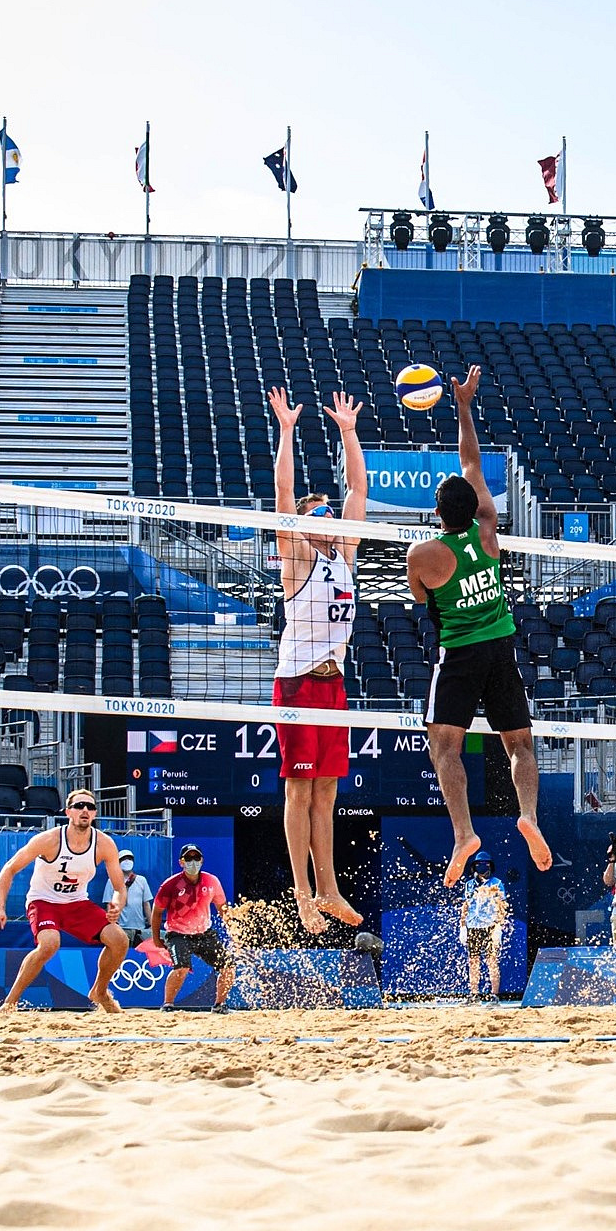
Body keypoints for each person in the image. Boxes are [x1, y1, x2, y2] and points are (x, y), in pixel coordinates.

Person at [405, 364, 550, 886]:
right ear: (473, 506)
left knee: (444, 748)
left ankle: (464, 833)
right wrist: (464, 406)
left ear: (437, 512)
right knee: (520, 746)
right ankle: (529, 816)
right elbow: (471, 461)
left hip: (460, 652)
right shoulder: (489, 528)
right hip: (501, 646)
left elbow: (420, 598)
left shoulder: (423, 554)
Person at [268, 385, 369, 935]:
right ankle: (303, 894)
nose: (331, 515)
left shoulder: (344, 553)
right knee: (300, 790)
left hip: (334, 684)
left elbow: (358, 488)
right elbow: (284, 494)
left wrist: (349, 433)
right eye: (320, 512)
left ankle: (328, 888)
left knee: (328, 792)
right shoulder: (297, 555)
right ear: (307, 523)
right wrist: (287, 430)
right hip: (298, 684)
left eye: (331, 511)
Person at [0, 789, 131, 1012]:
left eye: (90, 807)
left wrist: (117, 904)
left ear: (94, 813)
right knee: (50, 944)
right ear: (68, 812)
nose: (85, 810)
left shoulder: (104, 843)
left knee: (120, 940)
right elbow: (9, 869)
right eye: (79, 806)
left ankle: (99, 991)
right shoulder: (49, 840)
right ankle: (9, 1003)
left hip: (77, 903)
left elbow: (119, 887)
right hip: (43, 901)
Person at [153, 844, 235, 1013]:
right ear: (181, 862)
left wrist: (232, 928)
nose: (193, 862)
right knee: (181, 968)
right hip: (177, 934)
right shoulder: (170, 885)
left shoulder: (212, 881)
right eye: (188, 858)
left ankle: (220, 1006)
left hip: (204, 933)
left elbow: (222, 908)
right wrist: (156, 938)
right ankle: (167, 1005)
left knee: (228, 967)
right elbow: (157, 912)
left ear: (202, 860)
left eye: (196, 858)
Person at [458, 854, 508, 1002]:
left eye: (485, 864)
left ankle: (494, 995)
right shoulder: (469, 885)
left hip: (490, 926)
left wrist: (498, 926)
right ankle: (474, 994)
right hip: (473, 926)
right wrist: (462, 926)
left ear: (490, 866)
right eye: (479, 864)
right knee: (473, 961)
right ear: (474, 866)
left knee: (491, 960)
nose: (482, 867)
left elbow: (502, 906)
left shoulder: (497, 883)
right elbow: (465, 906)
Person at [116, 849, 155, 949]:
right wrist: (113, 924)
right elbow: (109, 904)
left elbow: (146, 904)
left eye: (129, 859)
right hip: (121, 928)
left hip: (139, 928)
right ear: (118, 862)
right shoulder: (113, 880)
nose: (127, 861)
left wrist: (152, 925)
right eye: (123, 859)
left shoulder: (142, 880)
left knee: (140, 953)